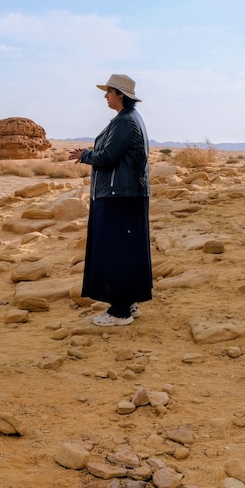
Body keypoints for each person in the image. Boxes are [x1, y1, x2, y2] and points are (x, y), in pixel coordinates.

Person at [70, 74, 152, 326]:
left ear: (120, 94)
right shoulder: (127, 120)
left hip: (120, 197)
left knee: (116, 251)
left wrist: (85, 154)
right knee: (126, 251)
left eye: (109, 92)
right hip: (125, 195)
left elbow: (108, 156)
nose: (105, 96)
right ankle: (127, 302)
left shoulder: (126, 122)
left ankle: (119, 311)